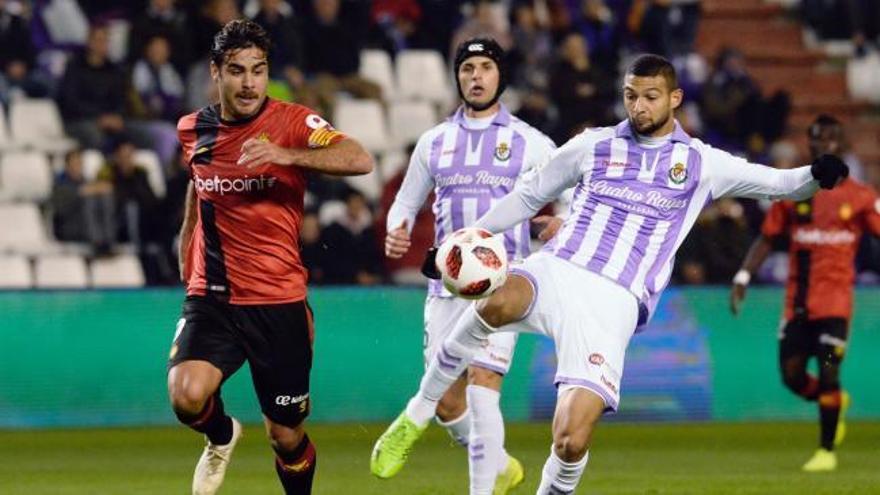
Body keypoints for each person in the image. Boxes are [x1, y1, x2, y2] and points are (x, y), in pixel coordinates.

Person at [370, 54, 849, 494]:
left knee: (570, 440)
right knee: (493, 299)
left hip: (613, 302)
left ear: (675, 99)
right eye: (631, 96)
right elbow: (526, 198)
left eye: (650, 97)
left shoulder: (702, 163)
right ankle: (416, 413)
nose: (638, 107)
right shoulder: (593, 145)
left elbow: (779, 184)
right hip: (559, 268)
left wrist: (817, 173)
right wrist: (460, 243)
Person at [167, 20, 373, 495]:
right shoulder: (192, 128)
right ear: (216, 72)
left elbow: (359, 158)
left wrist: (286, 154)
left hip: (278, 301)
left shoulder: (294, 123)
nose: (248, 83)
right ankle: (221, 435)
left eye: (258, 71)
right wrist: (187, 239)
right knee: (186, 397)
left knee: (285, 436)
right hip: (213, 294)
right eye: (237, 71)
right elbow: (198, 183)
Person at [374, 38, 557, 495]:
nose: (476, 76)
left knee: (483, 381)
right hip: (447, 287)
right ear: (457, 77)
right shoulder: (434, 142)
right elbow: (405, 202)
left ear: (501, 75)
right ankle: (498, 465)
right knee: (447, 403)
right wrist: (397, 227)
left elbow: (573, 194)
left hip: (504, 283)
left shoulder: (531, 143)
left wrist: (562, 223)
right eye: (468, 68)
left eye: (486, 67)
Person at [729, 114, 880, 472]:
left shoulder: (860, 197)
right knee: (792, 376)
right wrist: (743, 276)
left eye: (829, 139)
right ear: (808, 145)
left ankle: (826, 450)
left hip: (835, 308)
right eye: (815, 139)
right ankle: (833, 401)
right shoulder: (795, 192)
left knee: (829, 370)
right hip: (797, 305)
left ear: (840, 145)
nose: (822, 145)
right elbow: (767, 237)